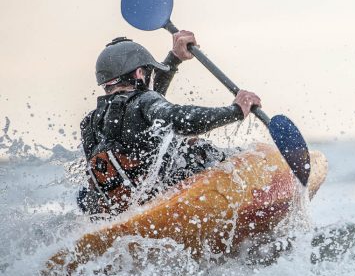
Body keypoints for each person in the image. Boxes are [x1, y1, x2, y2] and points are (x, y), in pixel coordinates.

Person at [78, 30, 261, 215]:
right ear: (140, 73)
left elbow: (147, 108)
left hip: (121, 211)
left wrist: (175, 58)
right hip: (161, 205)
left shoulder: (90, 123)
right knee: (192, 145)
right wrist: (236, 110)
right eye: (149, 72)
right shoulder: (142, 103)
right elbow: (178, 119)